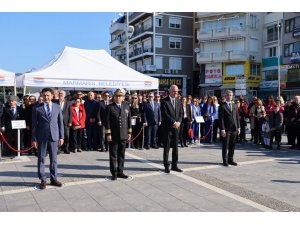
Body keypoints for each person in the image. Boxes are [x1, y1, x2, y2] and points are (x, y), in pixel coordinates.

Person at [31, 88, 64, 190]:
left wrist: (61, 136)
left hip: (54, 136)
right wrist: (34, 139)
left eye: (48, 95)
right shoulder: (37, 108)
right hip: (41, 137)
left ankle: (53, 179)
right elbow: (33, 125)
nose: (46, 97)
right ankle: (43, 180)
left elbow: (60, 123)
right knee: (41, 158)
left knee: (54, 159)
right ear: (42, 96)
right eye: (44, 95)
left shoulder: (57, 107)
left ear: (52, 96)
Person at [105, 89, 132, 180]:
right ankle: (114, 172)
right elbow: (107, 122)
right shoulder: (109, 107)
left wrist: (129, 132)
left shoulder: (126, 106)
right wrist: (108, 134)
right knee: (113, 155)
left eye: (120, 96)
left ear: (123, 97)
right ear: (114, 97)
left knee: (121, 154)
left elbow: (129, 121)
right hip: (113, 135)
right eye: (116, 96)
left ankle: (120, 171)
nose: (118, 97)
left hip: (123, 134)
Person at [160, 85, 183, 173]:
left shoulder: (178, 101)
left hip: (177, 128)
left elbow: (181, 113)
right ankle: (166, 165)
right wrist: (173, 122)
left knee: (175, 147)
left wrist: (179, 122)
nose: (176, 93)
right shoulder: (164, 101)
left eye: (177, 91)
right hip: (168, 128)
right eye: (174, 91)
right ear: (170, 91)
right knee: (167, 147)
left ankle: (174, 165)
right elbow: (165, 114)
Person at [219, 90, 240, 167]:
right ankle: (225, 160)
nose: (229, 96)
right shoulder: (222, 106)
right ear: (225, 96)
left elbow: (237, 117)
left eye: (231, 95)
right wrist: (222, 129)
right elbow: (221, 119)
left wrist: (239, 127)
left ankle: (230, 159)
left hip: (234, 128)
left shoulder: (234, 105)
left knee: (232, 145)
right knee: (225, 145)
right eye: (228, 95)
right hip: (226, 129)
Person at [58, 90, 72, 154]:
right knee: (58, 135)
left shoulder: (68, 103)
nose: (60, 94)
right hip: (57, 122)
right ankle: (58, 148)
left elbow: (70, 113)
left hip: (66, 122)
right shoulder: (55, 102)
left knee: (66, 135)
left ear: (65, 95)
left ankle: (66, 148)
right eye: (60, 93)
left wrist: (70, 121)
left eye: (62, 93)